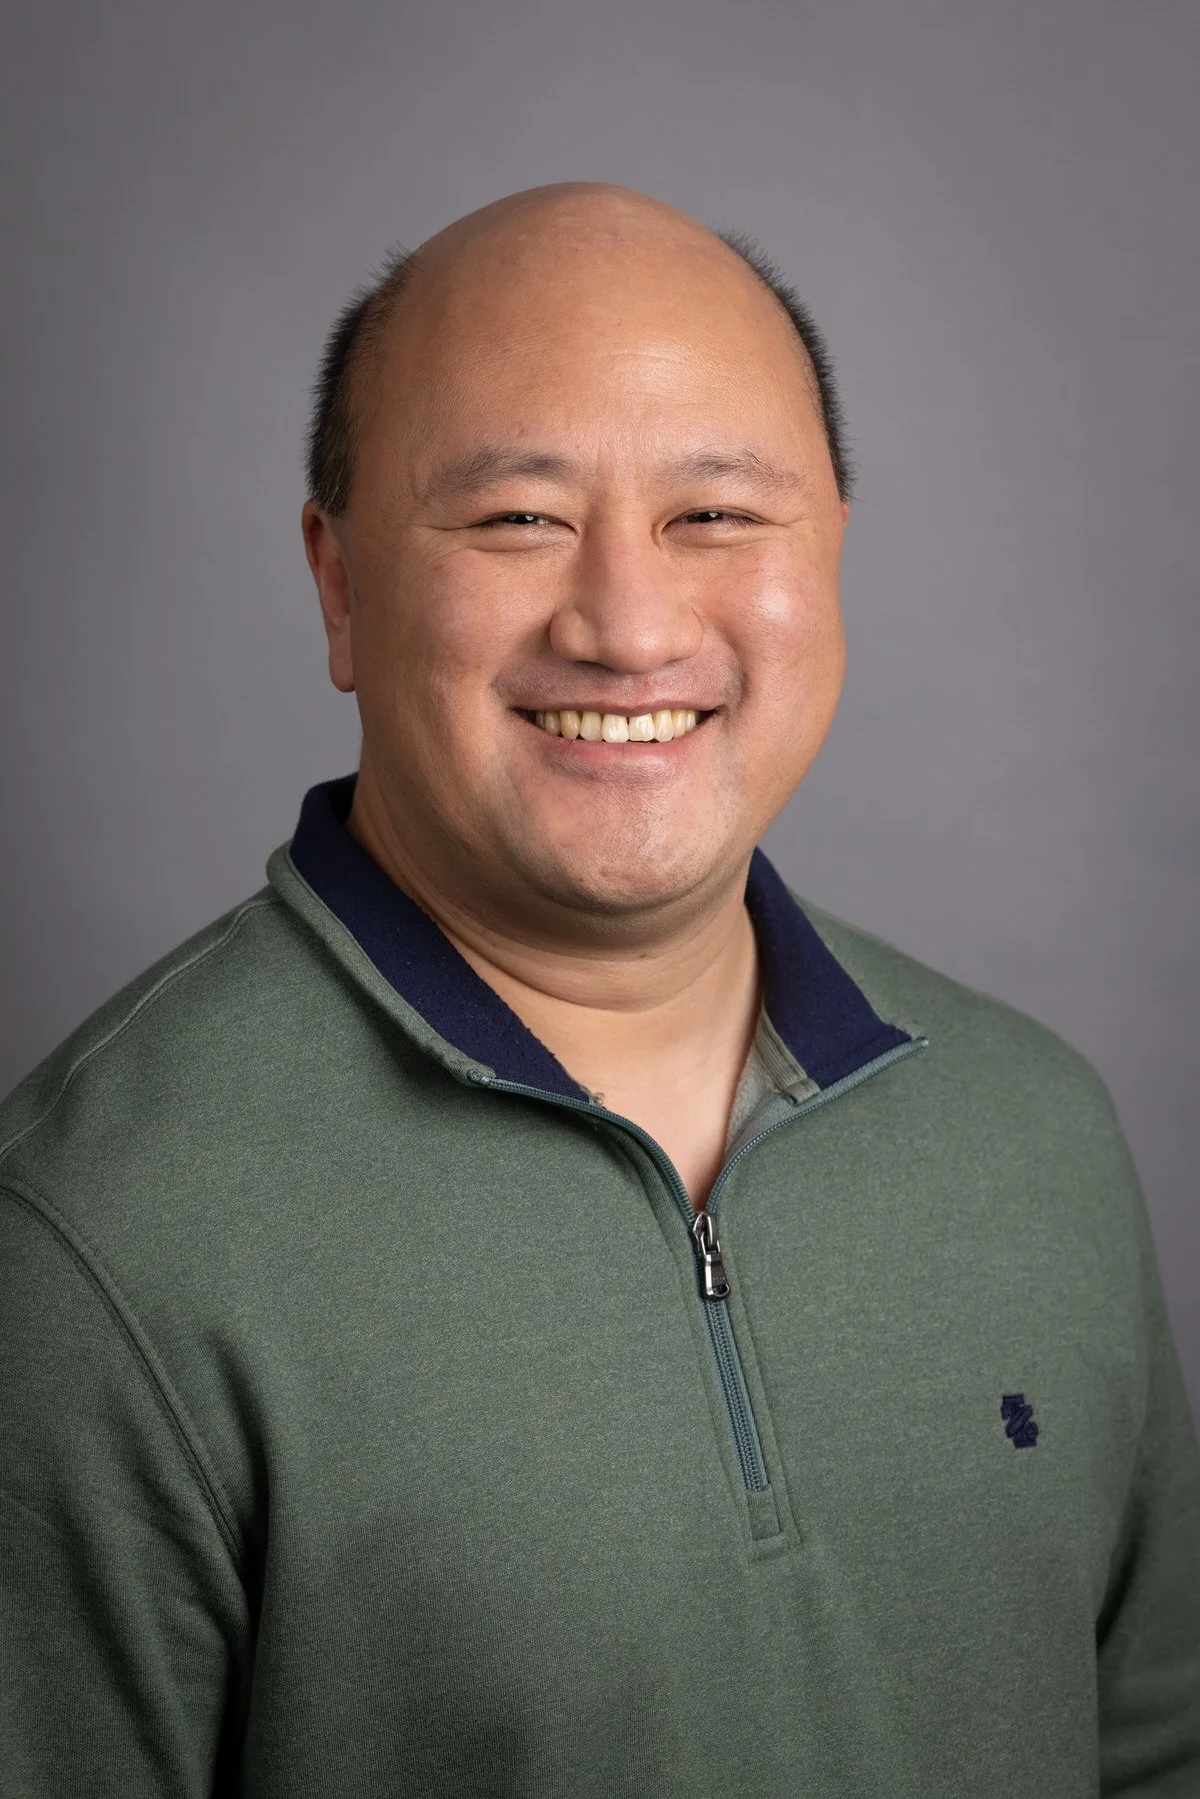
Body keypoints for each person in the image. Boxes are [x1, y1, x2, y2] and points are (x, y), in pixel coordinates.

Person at [1, 182, 1197, 1798]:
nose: (629, 627)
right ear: (340, 583)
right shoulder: (91, 1242)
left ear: (833, 551)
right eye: (517, 519)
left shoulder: (1032, 1133)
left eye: (716, 514)